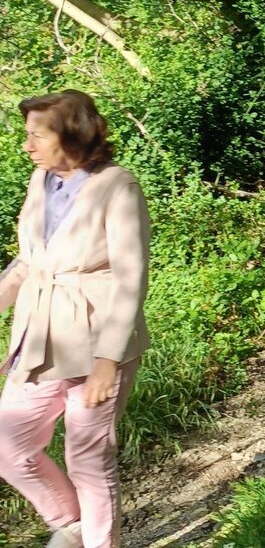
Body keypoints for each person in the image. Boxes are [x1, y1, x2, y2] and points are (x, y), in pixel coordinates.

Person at [0, 90, 150, 548]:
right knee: (8, 444)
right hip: (40, 338)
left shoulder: (117, 186)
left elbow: (130, 277)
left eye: (37, 135)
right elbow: (28, 263)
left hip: (96, 339)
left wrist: (108, 360)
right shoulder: (40, 180)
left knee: (87, 457)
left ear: (73, 134)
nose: (27, 145)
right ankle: (73, 526)